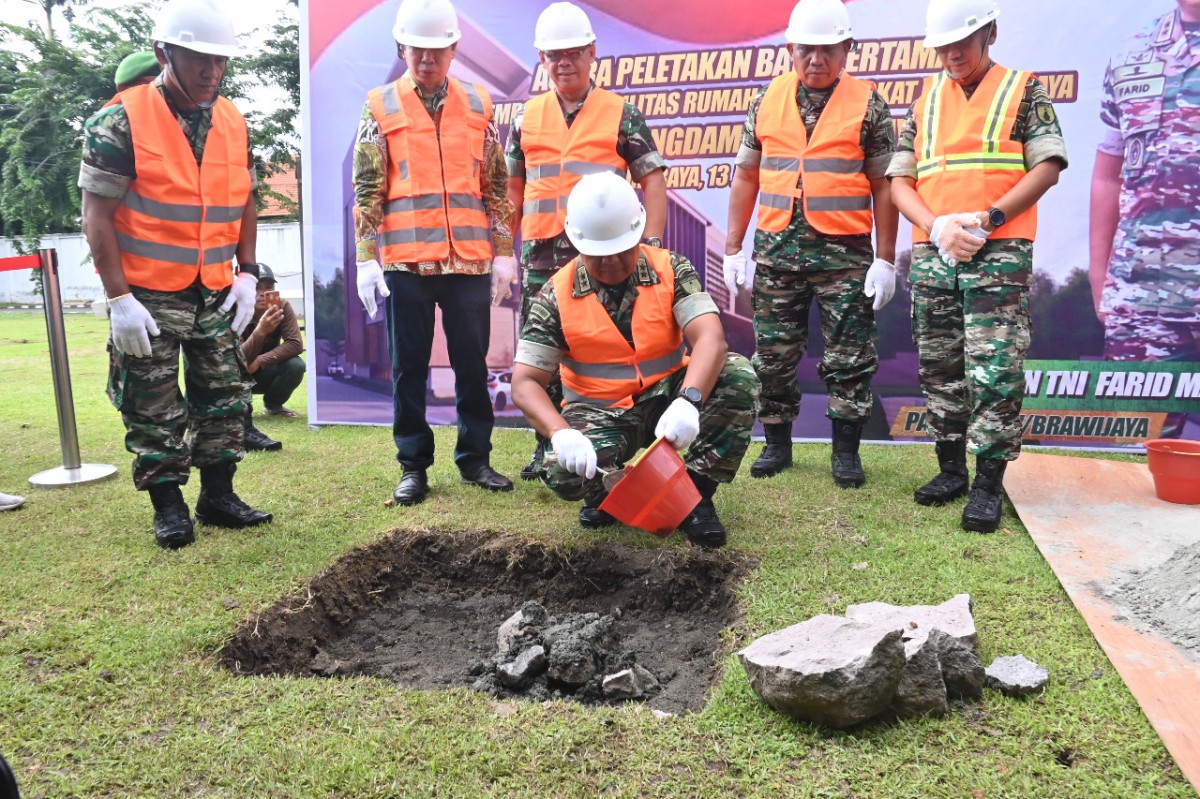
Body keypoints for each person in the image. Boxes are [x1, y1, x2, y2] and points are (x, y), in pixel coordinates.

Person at [79, 0, 272, 549]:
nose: (212, 72)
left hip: (214, 288)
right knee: (153, 402)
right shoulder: (119, 119)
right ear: (165, 53)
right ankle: (169, 507)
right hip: (148, 292)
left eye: (220, 62)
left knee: (226, 395)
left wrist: (248, 272)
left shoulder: (233, 119)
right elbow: (97, 215)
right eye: (199, 60)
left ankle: (218, 496)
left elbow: (246, 201)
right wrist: (118, 298)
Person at [888, 0, 1066, 533]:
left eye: (961, 42)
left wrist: (988, 219)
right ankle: (951, 471)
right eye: (942, 45)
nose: (951, 54)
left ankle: (988, 483)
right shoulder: (925, 102)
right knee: (940, 365)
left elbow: (1050, 165)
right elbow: (900, 180)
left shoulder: (1024, 89)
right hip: (935, 251)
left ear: (990, 31)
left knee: (994, 370)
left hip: (998, 250)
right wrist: (937, 225)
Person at [512, 172, 761, 549]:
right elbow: (525, 382)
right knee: (561, 471)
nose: (610, 261)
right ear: (577, 243)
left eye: (621, 250)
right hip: (602, 413)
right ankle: (610, 495)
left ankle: (695, 498)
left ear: (640, 232)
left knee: (739, 377)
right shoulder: (554, 295)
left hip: (668, 398)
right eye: (599, 254)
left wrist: (690, 400)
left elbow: (710, 337)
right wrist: (561, 433)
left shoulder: (672, 269)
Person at [724, 0, 898, 488]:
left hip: (844, 256)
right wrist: (734, 248)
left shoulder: (869, 105)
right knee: (774, 356)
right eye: (806, 49)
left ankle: (845, 452)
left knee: (849, 356)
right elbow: (746, 176)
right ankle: (777, 444)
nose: (816, 59)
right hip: (777, 251)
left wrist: (885, 259)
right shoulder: (766, 99)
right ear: (790, 49)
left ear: (846, 50)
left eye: (827, 50)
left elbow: (885, 185)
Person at [353, 0, 518, 507]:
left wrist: (505, 252)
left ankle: (475, 459)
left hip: (469, 260)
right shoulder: (379, 105)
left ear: (453, 49)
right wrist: (365, 256)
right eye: (418, 49)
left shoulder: (479, 103)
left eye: (437, 49)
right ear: (402, 48)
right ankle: (413, 467)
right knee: (409, 369)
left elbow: (496, 184)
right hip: (407, 264)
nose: (427, 58)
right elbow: (367, 187)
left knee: (472, 365)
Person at [506, 1, 669, 482]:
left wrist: (653, 243)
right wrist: (500, 251)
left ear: (592, 52)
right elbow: (512, 190)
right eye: (554, 55)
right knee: (542, 358)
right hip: (539, 257)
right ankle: (547, 445)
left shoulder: (621, 112)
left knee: (608, 347)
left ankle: (620, 433)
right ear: (541, 59)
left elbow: (652, 180)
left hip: (604, 256)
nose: (564, 62)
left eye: (574, 52)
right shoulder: (525, 117)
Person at [1089, 0, 1200, 437]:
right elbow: (1108, 175)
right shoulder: (1132, 55)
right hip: (1143, 300)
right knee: (1135, 459)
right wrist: (1100, 277)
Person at [240, 263, 305, 447]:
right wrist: (260, 331)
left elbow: (295, 343)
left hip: (264, 371)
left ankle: (274, 405)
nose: (262, 293)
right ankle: (237, 410)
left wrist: (260, 361)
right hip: (236, 373)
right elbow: (234, 358)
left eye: (268, 288)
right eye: (256, 287)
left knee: (296, 365)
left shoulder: (281, 306)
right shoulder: (234, 309)